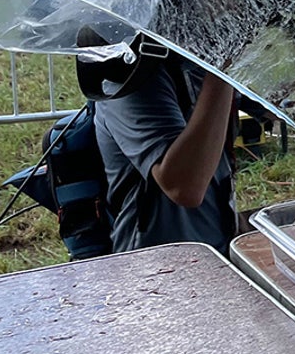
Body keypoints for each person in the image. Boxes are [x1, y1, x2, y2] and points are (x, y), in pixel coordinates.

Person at [93, 55, 238, 254]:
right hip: (157, 261)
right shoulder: (126, 79)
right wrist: (224, 71)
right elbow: (185, 187)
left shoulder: (195, 61)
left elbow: (276, 105)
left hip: (215, 244)